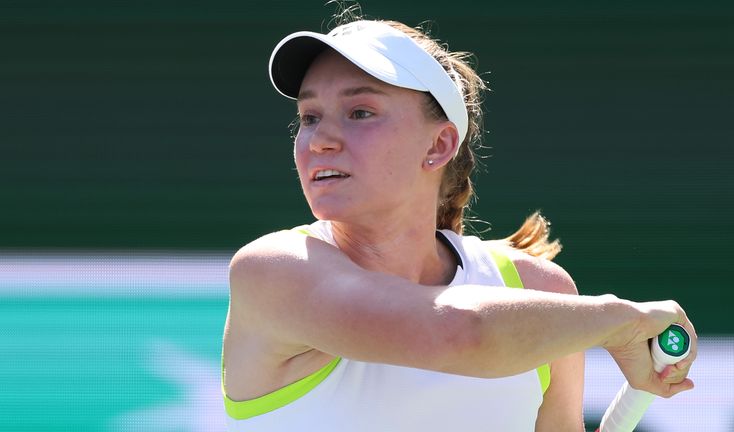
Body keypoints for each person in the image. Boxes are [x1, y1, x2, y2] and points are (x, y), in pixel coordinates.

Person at [221, 8, 697, 432]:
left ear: (438, 145)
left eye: (360, 111)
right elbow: (460, 335)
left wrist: (613, 324)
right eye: (308, 117)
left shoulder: (541, 292)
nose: (320, 139)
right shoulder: (272, 271)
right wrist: (623, 321)